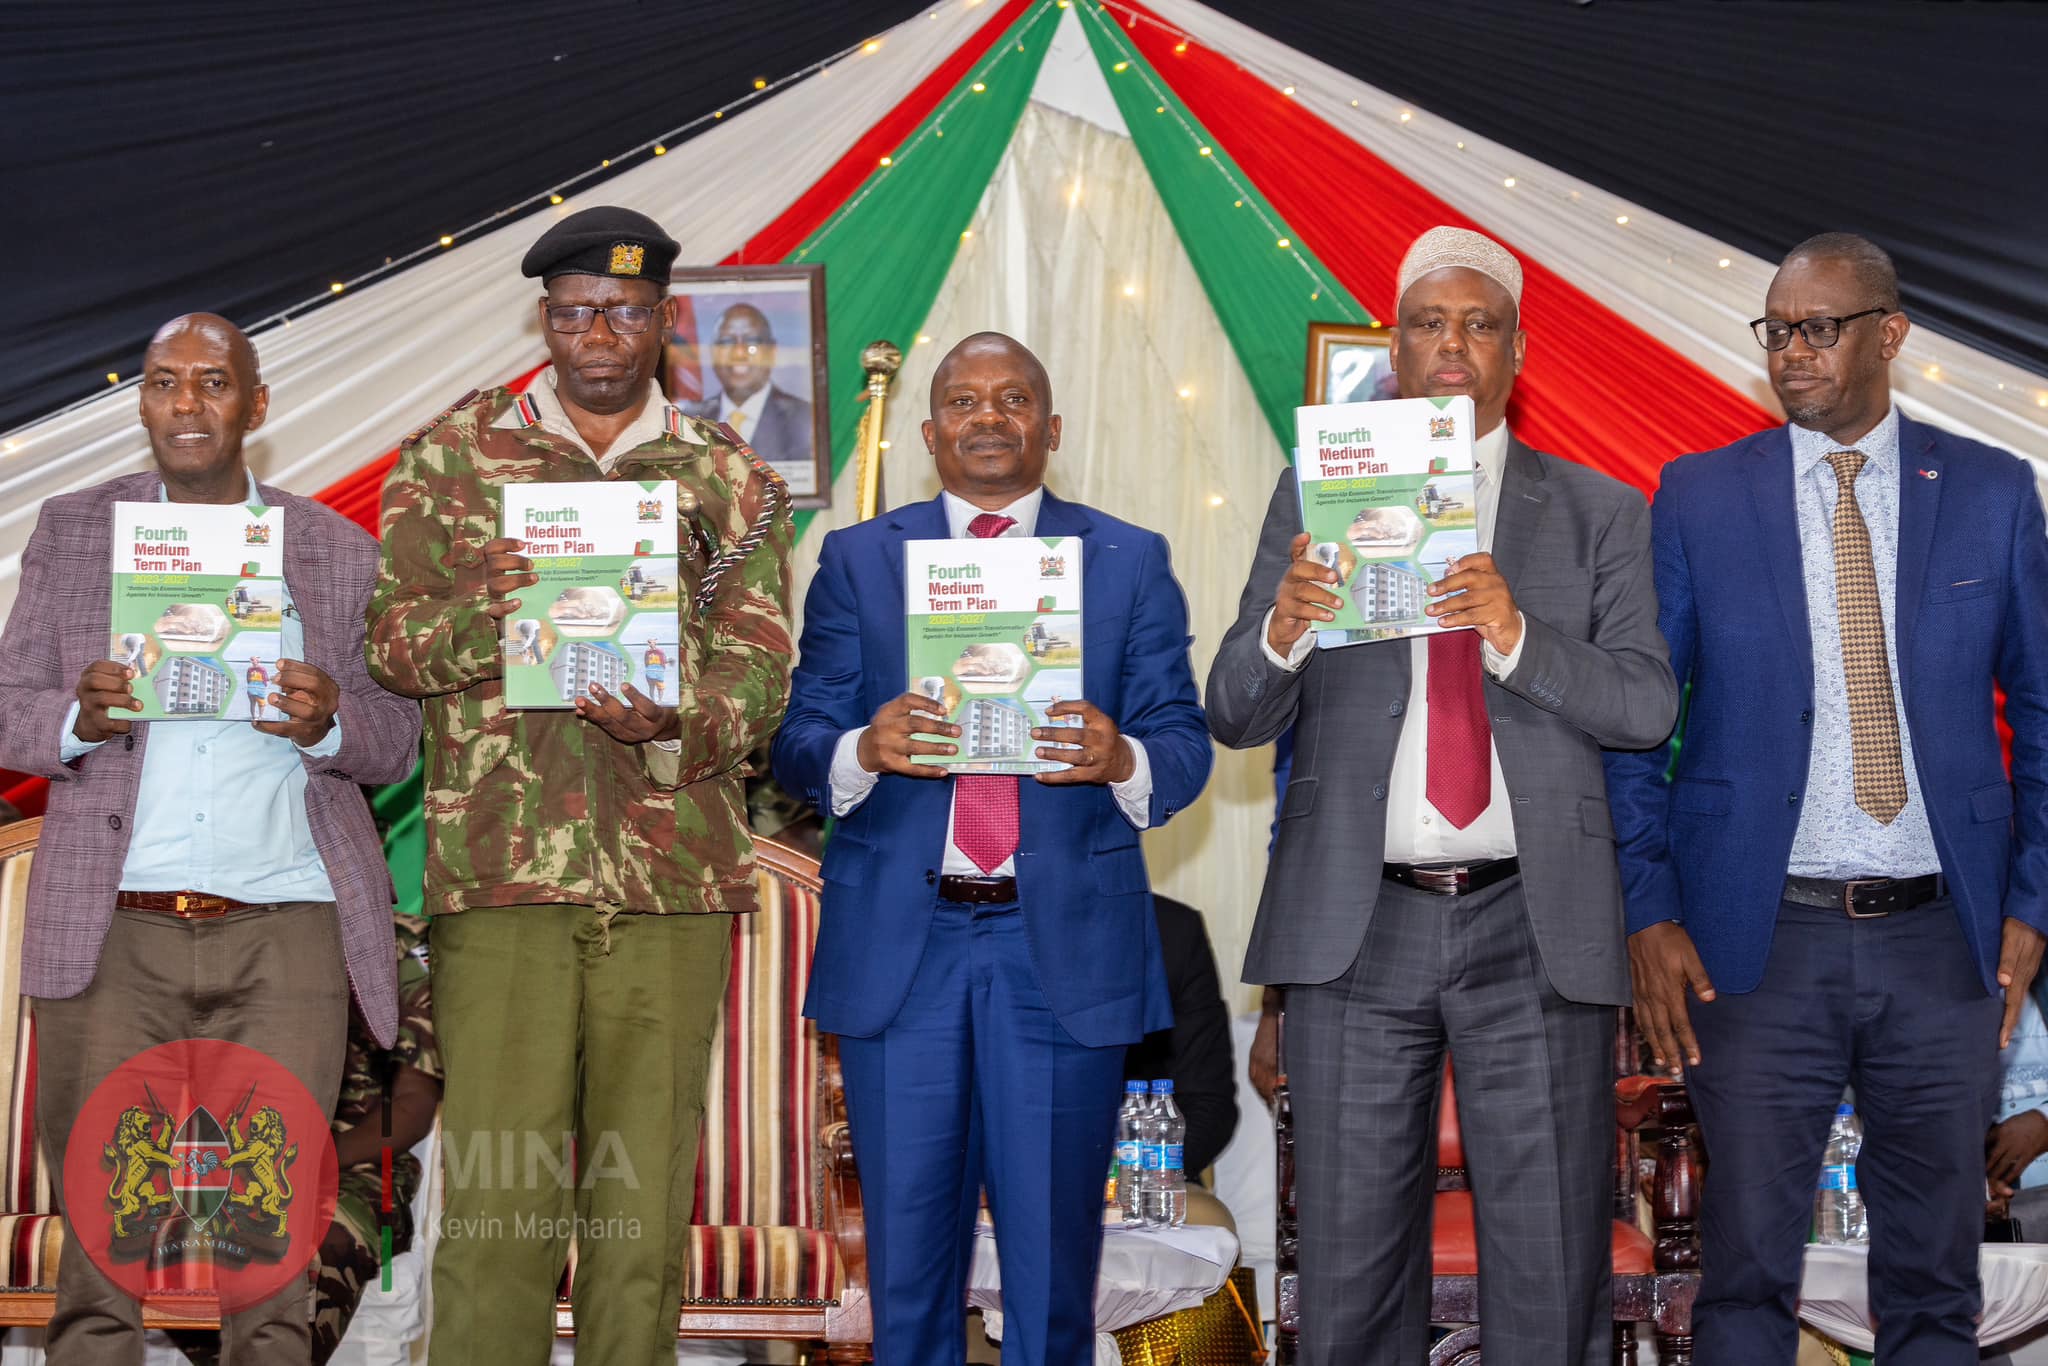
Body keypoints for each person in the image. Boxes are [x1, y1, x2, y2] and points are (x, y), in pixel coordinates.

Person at [1208, 227, 1678, 1366]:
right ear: (1394, 346)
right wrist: (1288, 624)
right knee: (1349, 1273)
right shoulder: (1313, 494)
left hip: (1534, 921)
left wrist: (1516, 638)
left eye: (1478, 322)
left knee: (1548, 1269)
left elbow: (1646, 705)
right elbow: (1231, 708)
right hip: (1354, 924)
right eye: (1429, 322)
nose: (1452, 343)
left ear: (1516, 349)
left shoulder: (1597, 511)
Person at [1605, 232, 2048, 1365]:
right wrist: (1648, 911)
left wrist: (2030, 908)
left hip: (1941, 948)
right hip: (1755, 943)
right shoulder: (1700, 495)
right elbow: (1635, 721)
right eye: (1774, 330)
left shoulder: (1992, 493)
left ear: (1888, 334)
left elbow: (2043, 714)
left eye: (1815, 328)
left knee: (1933, 1280)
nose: (1788, 353)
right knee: (1744, 1277)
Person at [364, 206, 794, 1366]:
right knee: (501, 1207)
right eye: (572, 312)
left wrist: (678, 720)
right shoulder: (453, 456)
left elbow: (760, 669)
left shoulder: (731, 477)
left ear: (661, 322)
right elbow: (392, 648)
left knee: (639, 1210)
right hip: (505, 877)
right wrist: (491, 619)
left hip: (670, 880)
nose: (597, 332)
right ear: (543, 321)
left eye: (622, 311)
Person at [772, 332, 1212, 1366]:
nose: (986, 417)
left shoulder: (1126, 557)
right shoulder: (858, 558)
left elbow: (1184, 747)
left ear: (1049, 430)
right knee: (908, 1276)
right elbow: (794, 743)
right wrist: (859, 748)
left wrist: (1121, 757)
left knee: (1054, 1279)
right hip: (902, 949)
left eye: (1012, 399)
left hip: (1058, 950)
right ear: (928, 434)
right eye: (963, 401)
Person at [0, 312, 421, 1361]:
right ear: (142, 399)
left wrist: (329, 721)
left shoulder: (333, 549)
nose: (187, 404)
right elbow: (8, 701)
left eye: (213, 382)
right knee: (101, 1255)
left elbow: (398, 739)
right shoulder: (73, 529)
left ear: (256, 404)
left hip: (286, 929)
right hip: (114, 930)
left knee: (267, 1258)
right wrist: (75, 718)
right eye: (163, 382)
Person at [1123, 894, 1240, 1187]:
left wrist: (1141, 1181)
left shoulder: (1172, 930)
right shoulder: (1000, 923)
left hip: (1148, 1177)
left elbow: (1208, 1100)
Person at [683, 302, 813, 471]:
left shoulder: (804, 420)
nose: (739, 353)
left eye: (751, 341)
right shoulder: (689, 422)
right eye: (727, 342)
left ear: (772, 352)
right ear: (712, 352)